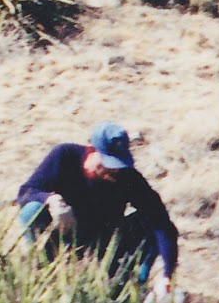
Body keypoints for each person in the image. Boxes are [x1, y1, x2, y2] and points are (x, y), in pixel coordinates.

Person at [16, 122, 179, 294]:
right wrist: (50, 199)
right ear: (90, 149)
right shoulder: (64, 156)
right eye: (106, 162)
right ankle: (35, 267)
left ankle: (132, 287)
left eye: (116, 164)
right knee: (32, 209)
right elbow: (26, 193)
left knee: (148, 224)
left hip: (103, 243)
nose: (112, 170)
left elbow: (162, 224)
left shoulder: (127, 177)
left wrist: (167, 274)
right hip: (61, 236)